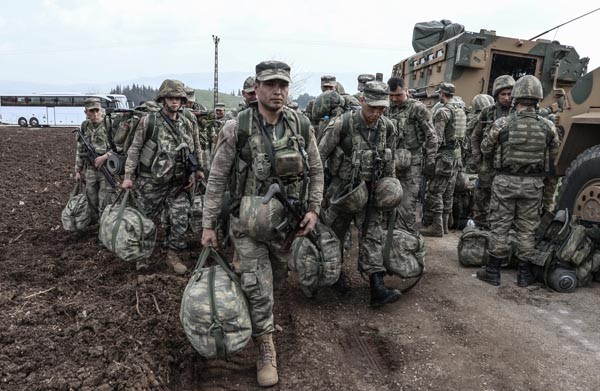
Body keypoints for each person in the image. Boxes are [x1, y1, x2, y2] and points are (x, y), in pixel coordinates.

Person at [201, 60, 323, 387]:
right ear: (256, 89)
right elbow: (216, 180)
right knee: (257, 285)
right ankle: (265, 345)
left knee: (279, 277)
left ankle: (262, 318)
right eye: (270, 85)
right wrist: (209, 225)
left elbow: (315, 170)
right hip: (247, 224)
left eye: (283, 85)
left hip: (286, 226)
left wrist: (313, 209)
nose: (277, 91)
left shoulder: (300, 125)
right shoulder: (236, 128)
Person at [319, 80, 402, 307]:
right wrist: (318, 194)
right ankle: (333, 277)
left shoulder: (388, 127)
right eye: (372, 107)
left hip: (372, 189)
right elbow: (319, 157)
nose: (376, 113)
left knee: (373, 234)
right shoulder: (342, 124)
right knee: (336, 234)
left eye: (381, 108)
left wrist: (390, 187)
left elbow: (390, 160)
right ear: (362, 100)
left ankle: (377, 287)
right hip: (343, 191)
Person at [477, 75, 560, 286]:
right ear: (538, 99)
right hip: (533, 185)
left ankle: (493, 271)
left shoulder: (502, 123)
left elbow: (485, 148)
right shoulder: (548, 127)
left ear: (515, 97)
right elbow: (552, 160)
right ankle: (524, 275)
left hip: (505, 182)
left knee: (500, 225)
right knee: (527, 229)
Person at [121, 79, 200, 274]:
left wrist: (198, 169)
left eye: (178, 98)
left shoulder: (188, 122)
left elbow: (196, 146)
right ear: (163, 99)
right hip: (151, 182)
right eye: (171, 98)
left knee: (181, 218)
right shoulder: (150, 121)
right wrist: (129, 175)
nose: (175, 102)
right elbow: (135, 148)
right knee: (145, 220)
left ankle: (172, 255)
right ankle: (142, 256)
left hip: (178, 182)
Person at [386, 76, 438, 228]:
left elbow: (432, 136)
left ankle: (404, 237)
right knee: (388, 199)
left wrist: (430, 161)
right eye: (391, 96)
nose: (394, 99)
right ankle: (390, 235)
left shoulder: (418, 108)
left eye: (398, 95)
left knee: (407, 203)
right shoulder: (386, 108)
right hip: (391, 163)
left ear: (406, 91)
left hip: (412, 164)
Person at [420, 83, 466, 237]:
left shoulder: (443, 112)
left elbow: (437, 138)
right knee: (448, 193)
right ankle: (446, 226)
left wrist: (430, 158)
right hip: (456, 157)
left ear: (442, 94)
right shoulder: (460, 110)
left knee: (435, 191)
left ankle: (437, 227)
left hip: (445, 157)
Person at [468, 75, 514, 227]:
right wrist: (478, 160)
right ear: (496, 95)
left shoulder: (518, 113)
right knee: (481, 201)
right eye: (503, 94)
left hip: (508, 167)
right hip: (488, 165)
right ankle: (479, 233)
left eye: (509, 94)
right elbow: (475, 136)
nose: (507, 98)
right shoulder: (487, 112)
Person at [74, 98, 116, 222]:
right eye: (91, 111)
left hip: (106, 169)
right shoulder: (85, 126)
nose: (95, 114)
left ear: (101, 110)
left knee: (106, 201)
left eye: (97, 110)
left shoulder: (110, 125)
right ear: (86, 112)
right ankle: (95, 223)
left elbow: (120, 147)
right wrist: (77, 170)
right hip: (90, 170)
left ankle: (104, 227)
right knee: (91, 200)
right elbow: (80, 149)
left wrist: (104, 157)